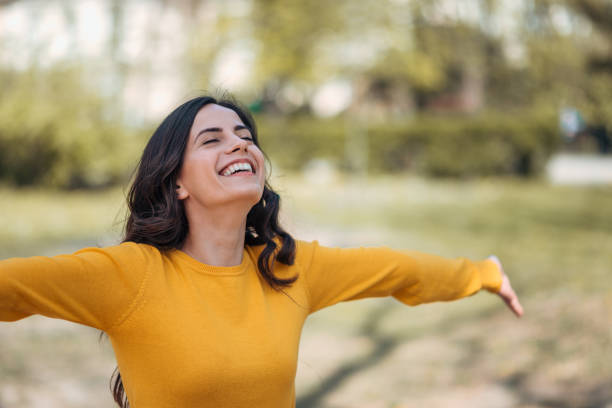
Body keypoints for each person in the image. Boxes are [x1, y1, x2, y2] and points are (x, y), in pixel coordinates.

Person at [0, 95, 523, 408]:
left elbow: (394, 271)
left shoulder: (287, 268)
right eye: (211, 139)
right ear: (176, 181)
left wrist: (481, 273)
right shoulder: (131, 275)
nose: (239, 144)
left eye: (245, 134)